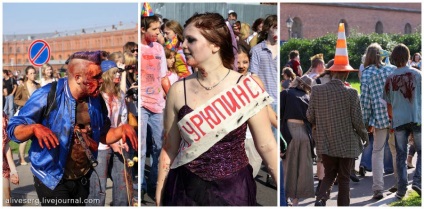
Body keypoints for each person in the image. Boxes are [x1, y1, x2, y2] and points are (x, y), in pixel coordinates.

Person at [155, 12, 278, 206]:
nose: (183, 46)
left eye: (191, 40)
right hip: (185, 191)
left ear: (215, 45)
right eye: (183, 39)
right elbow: (169, 149)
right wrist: (160, 196)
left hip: (234, 191)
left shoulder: (246, 86)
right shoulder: (178, 90)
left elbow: (267, 145)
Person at [6, 51, 138, 206]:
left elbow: (103, 135)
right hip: (51, 177)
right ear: (78, 77)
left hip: (81, 177)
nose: (101, 80)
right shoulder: (48, 94)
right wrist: (34, 128)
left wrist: (121, 130)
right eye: (95, 77)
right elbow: (13, 128)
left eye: (100, 75)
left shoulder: (96, 100)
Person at [307, 66, 369, 206]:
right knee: (344, 178)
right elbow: (358, 121)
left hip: (326, 141)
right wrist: (365, 137)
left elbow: (310, 116)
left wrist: (322, 121)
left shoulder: (317, 90)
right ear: (346, 73)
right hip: (347, 143)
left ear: (332, 72)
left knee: (329, 173)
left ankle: (321, 199)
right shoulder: (352, 93)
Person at [87, 60, 131, 206]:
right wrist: (112, 142)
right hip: (100, 146)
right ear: (106, 75)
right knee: (98, 189)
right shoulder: (97, 97)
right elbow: (97, 125)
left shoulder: (120, 95)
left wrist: (121, 138)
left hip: (117, 141)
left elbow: (122, 119)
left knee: (122, 184)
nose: (118, 74)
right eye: (115, 72)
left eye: (119, 72)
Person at [383, 44, 421, 199]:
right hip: (416, 117)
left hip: (399, 120)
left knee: (400, 155)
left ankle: (401, 188)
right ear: (408, 56)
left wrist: (392, 120)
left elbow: (389, 104)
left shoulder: (390, 77)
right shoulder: (418, 74)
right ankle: (418, 181)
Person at [359, 43, 395, 200]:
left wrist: (365, 122)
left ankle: (378, 188)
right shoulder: (391, 69)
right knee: (397, 151)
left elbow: (365, 102)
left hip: (379, 118)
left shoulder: (366, 73)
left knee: (377, 152)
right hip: (395, 117)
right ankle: (400, 184)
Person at [140, 7, 167, 200]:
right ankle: (140, 185)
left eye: (160, 29)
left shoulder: (159, 49)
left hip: (158, 105)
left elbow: (164, 77)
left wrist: (173, 98)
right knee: (141, 149)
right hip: (141, 104)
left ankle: (154, 184)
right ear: (143, 30)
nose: (159, 33)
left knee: (160, 147)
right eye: (155, 29)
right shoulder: (137, 49)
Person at [280, 75, 315, 206]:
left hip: (290, 131)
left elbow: (280, 115)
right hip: (305, 133)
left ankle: (286, 198)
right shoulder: (308, 97)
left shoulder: (286, 93)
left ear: (296, 82)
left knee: (288, 167)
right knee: (303, 169)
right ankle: (296, 201)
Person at [249, 14, 278, 140]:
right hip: (264, 101)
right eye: (275, 27)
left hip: (279, 100)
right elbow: (253, 75)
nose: (277, 31)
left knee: (277, 141)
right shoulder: (256, 50)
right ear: (267, 29)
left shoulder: (282, 48)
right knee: (265, 140)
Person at [14, 66, 41, 165]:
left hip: (37, 113)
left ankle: (37, 157)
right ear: (27, 75)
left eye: (34, 73)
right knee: (25, 138)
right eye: (31, 73)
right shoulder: (22, 86)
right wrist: (26, 103)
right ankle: (21, 158)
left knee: (37, 136)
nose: (33, 75)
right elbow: (16, 99)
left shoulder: (38, 85)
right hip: (26, 114)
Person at [3, 112, 19, 206]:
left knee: (7, 203)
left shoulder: (3, 117)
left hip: (2, 169)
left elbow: (5, 145)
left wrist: (13, 170)